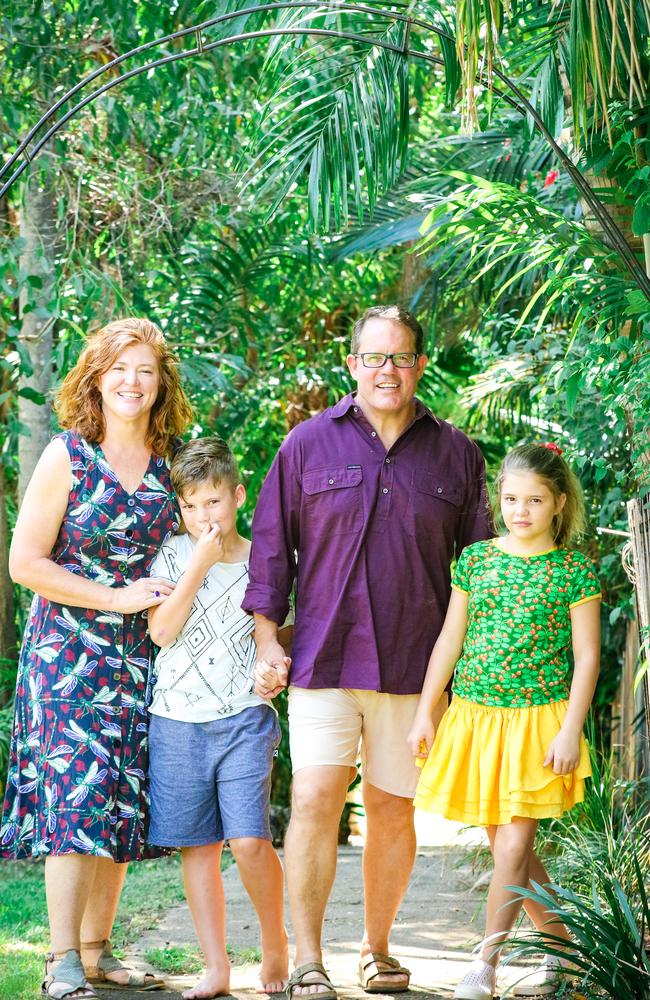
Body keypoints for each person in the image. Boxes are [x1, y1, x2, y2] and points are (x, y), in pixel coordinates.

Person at [244, 305, 491, 999]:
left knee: (391, 809)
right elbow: (270, 550)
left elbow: (476, 572)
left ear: (418, 365)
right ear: (352, 365)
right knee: (317, 797)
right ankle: (308, 960)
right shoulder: (305, 446)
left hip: (416, 666)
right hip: (323, 658)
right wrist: (267, 638)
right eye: (374, 358)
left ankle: (377, 950)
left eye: (401, 358)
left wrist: (460, 674)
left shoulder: (457, 454)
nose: (388, 370)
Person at [0, 318, 193, 999]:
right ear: (95, 377)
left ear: (161, 382)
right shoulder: (68, 456)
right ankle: (60, 962)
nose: (132, 382)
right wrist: (114, 599)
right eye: (119, 369)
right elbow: (25, 564)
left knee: (120, 801)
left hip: (144, 656)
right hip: (67, 656)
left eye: (145, 370)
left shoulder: (178, 464)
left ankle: (97, 949)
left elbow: (203, 544)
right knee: (76, 801)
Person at [407, 443, 601, 1000]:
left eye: (535, 500)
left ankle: (485, 964)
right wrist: (427, 710)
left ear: (559, 503)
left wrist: (570, 729)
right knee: (511, 854)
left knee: (513, 849)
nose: (521, 510)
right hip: (475, 717)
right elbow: (451, 639)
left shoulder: (573, 570)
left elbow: (587, 657)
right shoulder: (477, 561)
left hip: (539, 723)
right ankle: (567, 954)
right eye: (511, 498)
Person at [146, 437, 289, 1000]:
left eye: (213, 502)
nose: (203, 516)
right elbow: (161, 632)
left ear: (237, 494)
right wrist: (199, 564)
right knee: (198, 849)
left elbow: (278, 641)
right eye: (190, 506)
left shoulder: (265, 562)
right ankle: (216, 967)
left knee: (249, 841)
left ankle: (276, 945)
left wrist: (275, 667)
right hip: (177, 719)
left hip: (244, 717)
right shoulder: (172, 556)